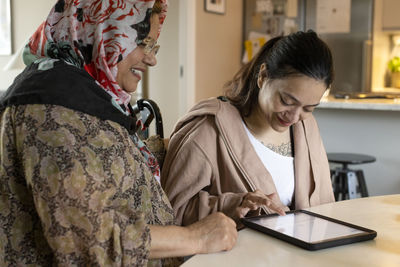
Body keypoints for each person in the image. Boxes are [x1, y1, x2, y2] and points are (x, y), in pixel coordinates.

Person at [0, 0, 237, 266]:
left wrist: (192, 144)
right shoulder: (50, 109)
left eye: (153, 45)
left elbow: (110, 159)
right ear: (103, 31)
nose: (152, 58)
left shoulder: (84, 95)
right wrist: (197, 238)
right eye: (142, 43)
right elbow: (89, 239)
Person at [161, 30, 335, 226]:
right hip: (235, 254)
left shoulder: (306, 128)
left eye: (308, 108)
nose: (294, 117)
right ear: (262, 76)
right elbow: (170, 212)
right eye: (286, 101)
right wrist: (233, 205)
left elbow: (326, 205)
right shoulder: (207, 130)